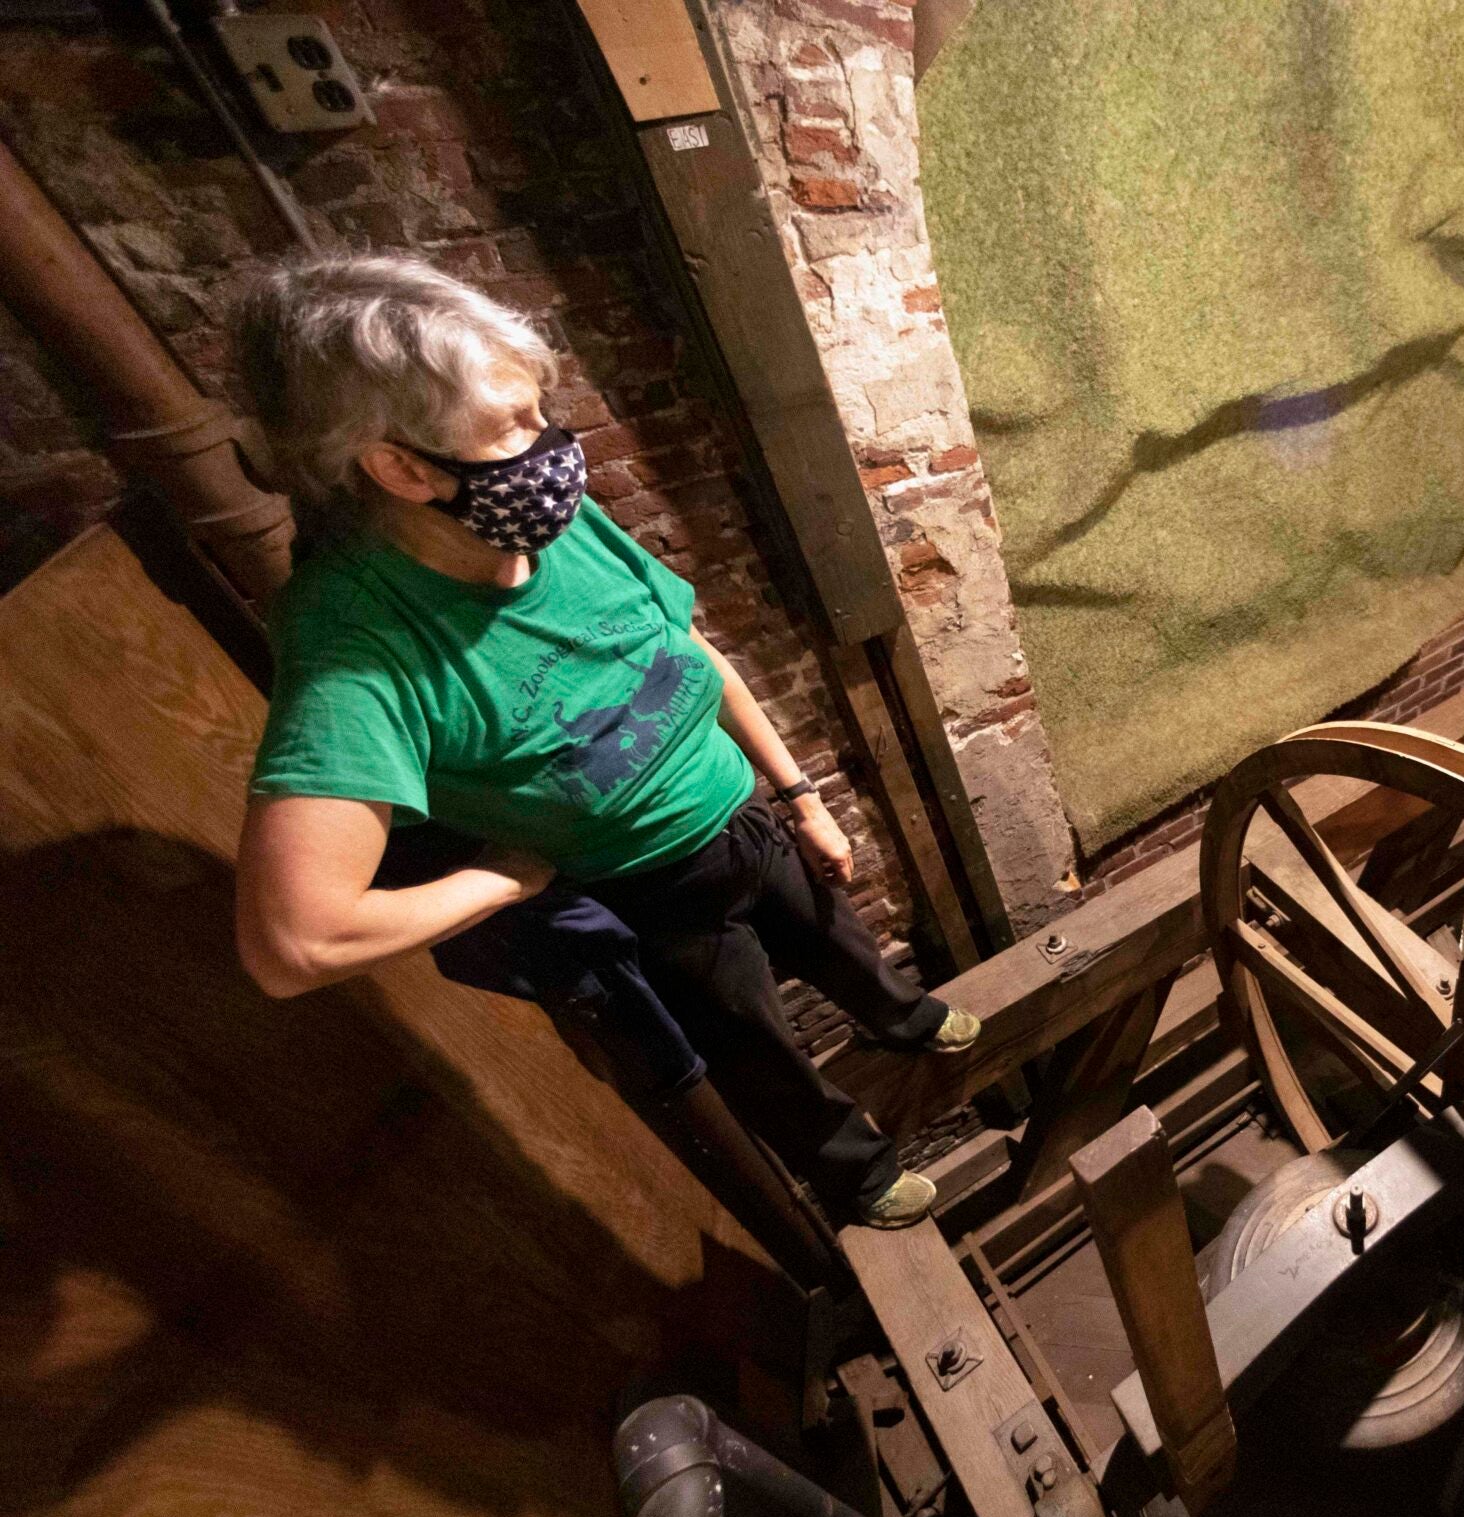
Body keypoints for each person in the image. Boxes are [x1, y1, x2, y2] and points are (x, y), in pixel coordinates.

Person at [228, 252, 972, 1230]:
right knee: (757, 1047)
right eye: (511, 427)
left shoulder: (543, 521)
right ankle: (860, 1175)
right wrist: (507, 879)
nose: (550, 449)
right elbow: (294, 942)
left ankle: (903, 1020)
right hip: (654, 891)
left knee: (840, 940)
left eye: (538, 411)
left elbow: (688, 652)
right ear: (400, 466)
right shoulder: (359, 645)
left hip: (744, 821)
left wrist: (798, 796)